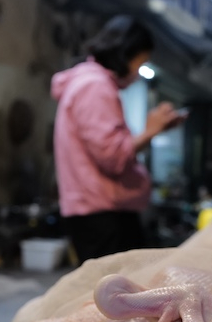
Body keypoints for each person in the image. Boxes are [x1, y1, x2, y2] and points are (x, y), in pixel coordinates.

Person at [51, 15, 186, 263]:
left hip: (99, 210)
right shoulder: (95, 86)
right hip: (101, 213)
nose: (137, 72)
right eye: (140, 62)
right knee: (116, 294)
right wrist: (150, 130)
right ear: (125, 54)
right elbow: (113, 157)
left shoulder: (90, 83)